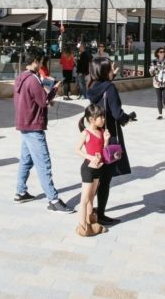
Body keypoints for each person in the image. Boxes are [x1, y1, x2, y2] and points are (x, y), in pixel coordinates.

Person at [13, 47, 74, 213]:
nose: (41, 64)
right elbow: (43, 101)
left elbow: (34, 99)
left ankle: (20, 192)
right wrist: (55, 89)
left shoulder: (21, 77)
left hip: (24, 123)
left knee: (26, 159)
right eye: (40, 61)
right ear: (35, 61)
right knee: (43, 162)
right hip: (33, 125)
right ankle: (53, 200)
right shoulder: (33, 80)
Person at [85, 55, 135, 225]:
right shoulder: (110, 88)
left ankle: (90, 209)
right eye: (110, 67)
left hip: (95, 134)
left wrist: (109, 77)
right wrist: (128, 118)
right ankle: (100, 214)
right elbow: (117, 114)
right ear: (105, 71)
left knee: (97, 176)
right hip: (109, 135)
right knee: (105, 178)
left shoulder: (90, 86)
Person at [74, 103, 109, 237]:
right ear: (91, 119)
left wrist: (106, 140)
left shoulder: (101, 132)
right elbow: (76, 149)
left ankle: (91, 222)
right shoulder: (86, 133)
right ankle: (82, 227)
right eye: (101, 117)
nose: (104, 120)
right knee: (84, 200)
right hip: (88, 169)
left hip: (98, 169)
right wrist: (90, 157)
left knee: (91, 198)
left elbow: (103, 150)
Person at [150, 48, 165, 119]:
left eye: (163, 52)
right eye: (160, 52)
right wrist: (153, 69)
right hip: (157, 82)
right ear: (157, 53)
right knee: (159, 99)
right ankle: (160, 114)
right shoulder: (154, 62)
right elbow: (151, 73)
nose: (162, 53)